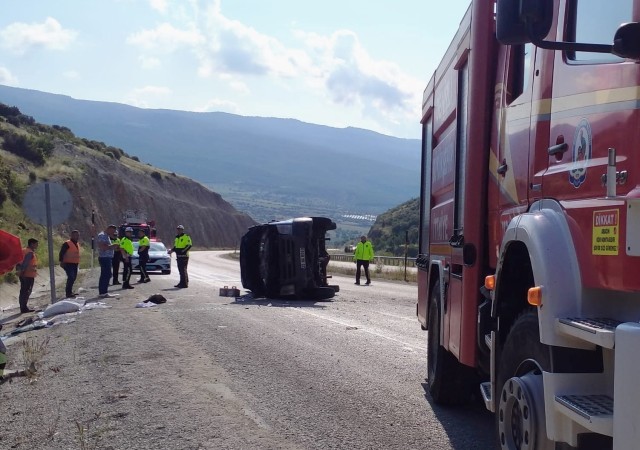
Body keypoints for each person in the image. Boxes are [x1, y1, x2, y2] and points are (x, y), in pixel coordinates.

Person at [97, 224, 120, 298]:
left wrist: (114, 248)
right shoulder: (102, 235)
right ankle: (103, 292)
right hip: (104, 257)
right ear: (109, 229)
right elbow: (102, 247)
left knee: (107, 274)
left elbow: (107, 247)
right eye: (112, 231)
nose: (113, 233)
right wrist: (113, 246)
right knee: (106, 275)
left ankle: (104, 291)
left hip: (107, 257)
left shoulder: (107, 236)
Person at [16, 238, 38, 313]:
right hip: (27, 274)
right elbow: (25, 263)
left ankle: (22, 307)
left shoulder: (23, 250)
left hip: (23, 274)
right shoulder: (29, 252)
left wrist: (19, 271)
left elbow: (18, 261)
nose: (37, 246)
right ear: (32, 244)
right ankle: (24, 308)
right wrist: (22, 271)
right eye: (36, 244)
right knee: (26, 291)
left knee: (23, 290)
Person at [59, 230, 81, 298]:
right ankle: (68, 293)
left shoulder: (77, 243)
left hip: (75, 263)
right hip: (68, 263)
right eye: (75, 235)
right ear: (71, 235)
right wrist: (61, 261)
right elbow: (61, 253)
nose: (76, 236)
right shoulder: (67, 243)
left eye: (77, 235)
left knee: (73, 278)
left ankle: (70, 292)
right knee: (71, 277)